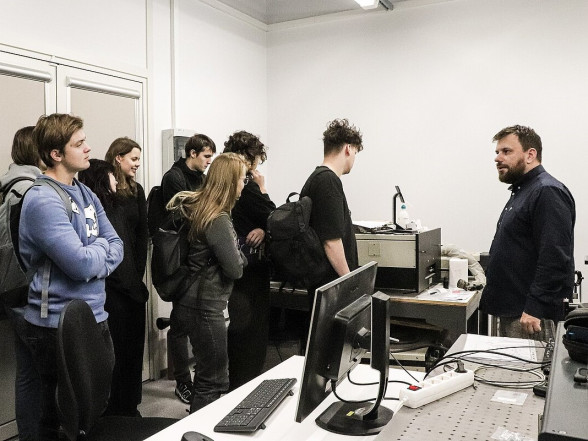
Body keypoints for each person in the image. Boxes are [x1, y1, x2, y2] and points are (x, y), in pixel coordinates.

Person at [19, 113, 123, 440]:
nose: (89, 149)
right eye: (79, 144)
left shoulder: (85, 192)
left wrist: (95, 255)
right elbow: (79, 265)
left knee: (93, 410)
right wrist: (97, 254)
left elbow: (117, 244)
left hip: (95, 316)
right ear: (56, 154)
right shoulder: (42, 199)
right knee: (58, 419)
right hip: (56, 325)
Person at [166, 152, 247, 412]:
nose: (244, 185)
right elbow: (234, 269)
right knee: (212, 381)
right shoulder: (218, 219)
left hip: (186, 299)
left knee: (204, 375)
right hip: (205, 306)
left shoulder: (197, 207)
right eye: (242, 180)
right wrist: (241, 257)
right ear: (230, 181)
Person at [480, 125, 575, 340]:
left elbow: (555, 257)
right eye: (497, 152)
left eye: (506, 151)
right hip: (515, 311)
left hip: (530, 317)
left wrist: (535, 308)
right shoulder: (524, 190)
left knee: (534, 372)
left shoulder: (546, 191)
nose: (497, 158)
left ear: (530, 154)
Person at [82, 139, 149, 417]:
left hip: (132, 279)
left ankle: (129, 406)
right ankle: (119, 411)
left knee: (132, 352)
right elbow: (110, 244)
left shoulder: (137, 191)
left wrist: (137, 277)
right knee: (118, 353)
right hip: (114, 286)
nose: (137, 164)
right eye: (133, 158)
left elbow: (141, 236)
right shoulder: (104, 199)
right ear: (117, 159)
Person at [161, 133, 216, 404]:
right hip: (181, 258)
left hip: (196, 257)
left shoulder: (201, 179)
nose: (208, 161)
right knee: (180, 324)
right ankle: (182, 381)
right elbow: (184, 216)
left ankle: (191, 378)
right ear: (192, 153)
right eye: (206, 156)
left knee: (187, 322)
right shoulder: (174, 178)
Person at [299, 118, 363, 345]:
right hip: (331, 287)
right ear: (348, 148)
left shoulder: (316, 179)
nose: (354, 159)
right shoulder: (328, 182)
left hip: (323, 285)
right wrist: (350, 282)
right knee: (329, 351)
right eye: (355, 153)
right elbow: (331, 241)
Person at [222, 130, 276, 390]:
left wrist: (263, 230)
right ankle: (244, 394)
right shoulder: (248, 187)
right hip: (251, 273)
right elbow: (276, 218)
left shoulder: (222, 181)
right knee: (251, 340)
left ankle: (237, 388)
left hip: (232, 274)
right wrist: (263, 188)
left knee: (237, 336)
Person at [0, 126, 43, 441]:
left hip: (9, 290)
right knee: (41, 372)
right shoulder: (30, 190)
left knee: (27, 371)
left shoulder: (5, 184)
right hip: (29, 290)